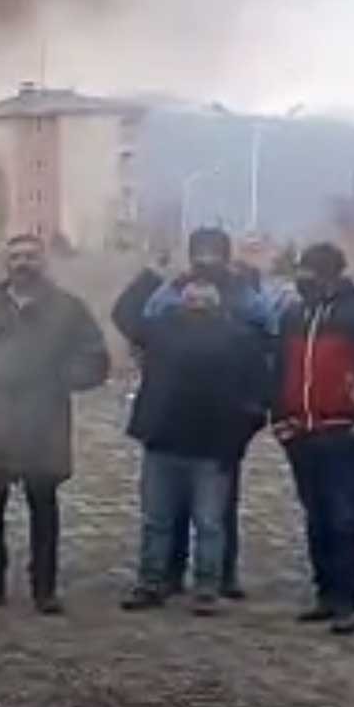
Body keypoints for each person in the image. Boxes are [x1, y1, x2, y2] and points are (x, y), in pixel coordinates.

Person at [0, 231, 109, 615]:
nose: (23, 263)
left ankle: (45, 588)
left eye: (31, 257)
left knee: (44, 509)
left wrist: (62, 378)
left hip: (43, 424)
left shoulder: (68, 309)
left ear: (44, 262)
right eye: (16, 256)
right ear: (6, 262)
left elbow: (94, 358)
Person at [116, 226, 272, 599]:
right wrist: (151, 273)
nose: (206, 262)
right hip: (165, 431)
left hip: (217, 435)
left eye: (213, 252)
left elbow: (268, 335)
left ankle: (217, 579)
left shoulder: (242, 308)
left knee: (213, 517)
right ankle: (161, 578)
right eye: (200, 252)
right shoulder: (166, 305)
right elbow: (127, 316)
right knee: (161, 516)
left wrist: (248, 421)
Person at [271, 242, 354, 635]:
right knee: (317, 517)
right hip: (300, 431)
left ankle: (348, 601)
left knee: (345, 518)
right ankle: (324, 594)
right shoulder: (292, 316)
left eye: (311, 273)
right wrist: (280, 418)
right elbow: (279, 369)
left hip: (345, 432)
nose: (304, 279)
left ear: (333, 274)